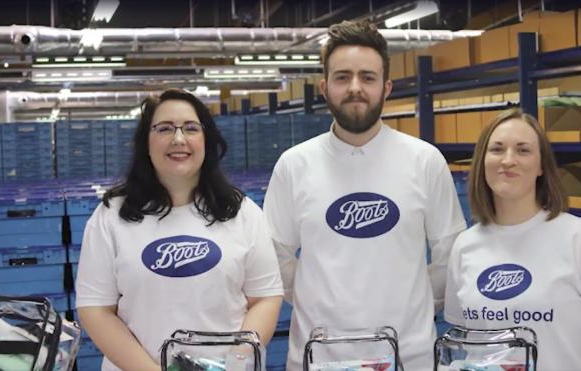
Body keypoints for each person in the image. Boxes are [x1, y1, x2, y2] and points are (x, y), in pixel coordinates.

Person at [263, 20, 466, 371]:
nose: (355, 88)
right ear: (325, 87)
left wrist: (413, 303)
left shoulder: (425, 161)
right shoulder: (294, 165)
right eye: (343, 77)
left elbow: (451, 253)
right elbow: (273, 253)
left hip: (408, 357)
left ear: (386, 87)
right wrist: (316, 298)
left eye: (367, 77)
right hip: (318, 358)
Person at [75, 88, 283, 371]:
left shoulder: (242, 212)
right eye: (164, 129)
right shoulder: (111, 217)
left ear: (206, 140)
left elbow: (265, 298)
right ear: (145, 143)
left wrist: (235, 361)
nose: (178, 139)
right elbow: (96, 309)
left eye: (190, 128)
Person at [444, 108, 581, 371]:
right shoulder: (465, 245)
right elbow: (465, 339)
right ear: (482, 161)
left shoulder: (579, 237)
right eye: (497, 149)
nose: (508, 160)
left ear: (541, 166)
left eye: (523, 150)